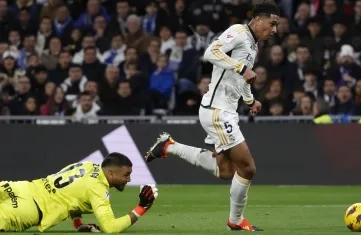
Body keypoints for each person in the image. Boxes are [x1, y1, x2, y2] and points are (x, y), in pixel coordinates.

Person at [145, 1, 280, 232]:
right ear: (258, 20)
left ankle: (170, 146)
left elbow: (242, 78)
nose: (274, 30)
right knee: (247, 168)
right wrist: (241, 67)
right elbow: (211, 52)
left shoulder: (253, 45)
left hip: (223, 111)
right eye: (272, 23)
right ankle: (235, 221)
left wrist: (249, 100)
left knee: (226, 171)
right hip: (218, 112)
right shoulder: (238, 31)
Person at [0, 152, 159, 233]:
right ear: (111, 174)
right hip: (29, 209)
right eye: (126, 175)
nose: (129, 180)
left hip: (21, 187)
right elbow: (111, 228)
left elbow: (70, 193)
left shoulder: (88, 165)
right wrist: (142, 207)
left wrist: (78, 224)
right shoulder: (98, 188)